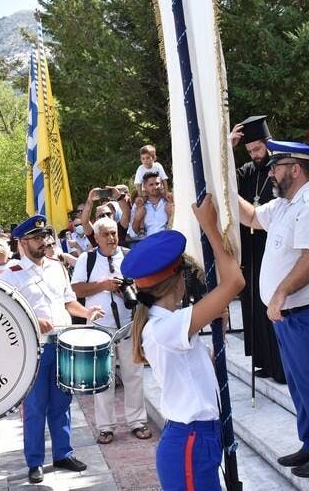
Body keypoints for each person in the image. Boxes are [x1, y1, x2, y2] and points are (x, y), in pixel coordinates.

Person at [238, 140, 309, 478]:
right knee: (300, 383)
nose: (271, 172)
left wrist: (280, 293)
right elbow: (253, 217)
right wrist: (222, 186)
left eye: (277, 166)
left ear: (296, 169)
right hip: (292, 312)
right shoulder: (287, 204)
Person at [122, 196, 244, 491]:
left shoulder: (165, 322)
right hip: (191, 441)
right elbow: (235, 283)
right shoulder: (166, 326)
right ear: (178, 282)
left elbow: (196, 374)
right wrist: (209, 226)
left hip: (196, 438)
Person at [0, 215, 103, 484]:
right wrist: (33, 320)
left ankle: (63, 453)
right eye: (36, 238)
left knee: (62, 403)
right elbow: (8, 313)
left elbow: (69, 303)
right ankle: (35, 461)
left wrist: (87, 311)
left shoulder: (57, 267)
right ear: (22, 243)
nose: (43, 241)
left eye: (44, 236)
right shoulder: (12, 273)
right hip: (36, 347)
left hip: (63, 340)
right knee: (34, 406)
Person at [70, 216, 149, 444]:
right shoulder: (87, 258)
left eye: (113, 233)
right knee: (103, 378)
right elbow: (77, 290)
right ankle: (105, 427)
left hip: (127, 324)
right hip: (99, 327)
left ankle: (137, 421)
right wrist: (104, 285)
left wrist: (128, 288)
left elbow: (143, 285)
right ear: (96, 237)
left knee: (133, 375)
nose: (111, 238)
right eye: (105, 234)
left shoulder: (127, 255)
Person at [228, 115, 285, 383]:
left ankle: (282, 366)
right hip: (251, 250)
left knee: (274, 305)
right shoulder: (248, 171)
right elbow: (224, 182)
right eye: (249, 151)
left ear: (268, 143)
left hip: (274, 248)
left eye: (258, 149)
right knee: (254, 305)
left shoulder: (280, 168)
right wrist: (228, 148)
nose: (254, 155)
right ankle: (265, 360)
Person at [129, 172, 174, 241]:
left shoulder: (169, 202)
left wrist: (171, 213)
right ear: (145, 186)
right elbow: (134, 232)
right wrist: (138, 218)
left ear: (161, 185)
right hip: (149, 244)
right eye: (151, 184)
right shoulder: (139, 205)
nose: (155, 187)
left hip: (168, 241)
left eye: (157, 184)